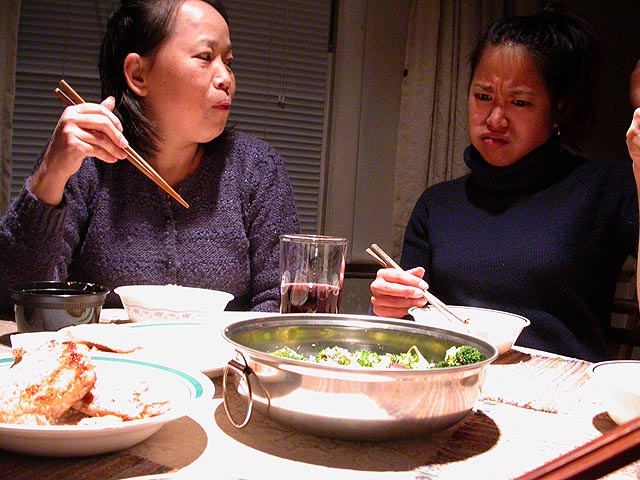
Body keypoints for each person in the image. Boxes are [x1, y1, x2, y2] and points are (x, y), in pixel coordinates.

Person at [370, 4, 639, 362]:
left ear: (558, 109)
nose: (495, 118)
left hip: (567, 388)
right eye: (483, 96)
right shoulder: (437, 205)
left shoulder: (605, 186)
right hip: (458, 384)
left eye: (520, 102)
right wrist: (391, 305)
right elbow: (411, 329)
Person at [0, 0, 299, 314]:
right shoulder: (86, 162)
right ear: (138, 74)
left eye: (228, 61)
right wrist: (50, 175)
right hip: (101, 347)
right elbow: (13, 302)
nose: (226, 78)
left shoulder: (256, 168)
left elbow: (282, 304)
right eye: (205, 57)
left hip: (224, 348)